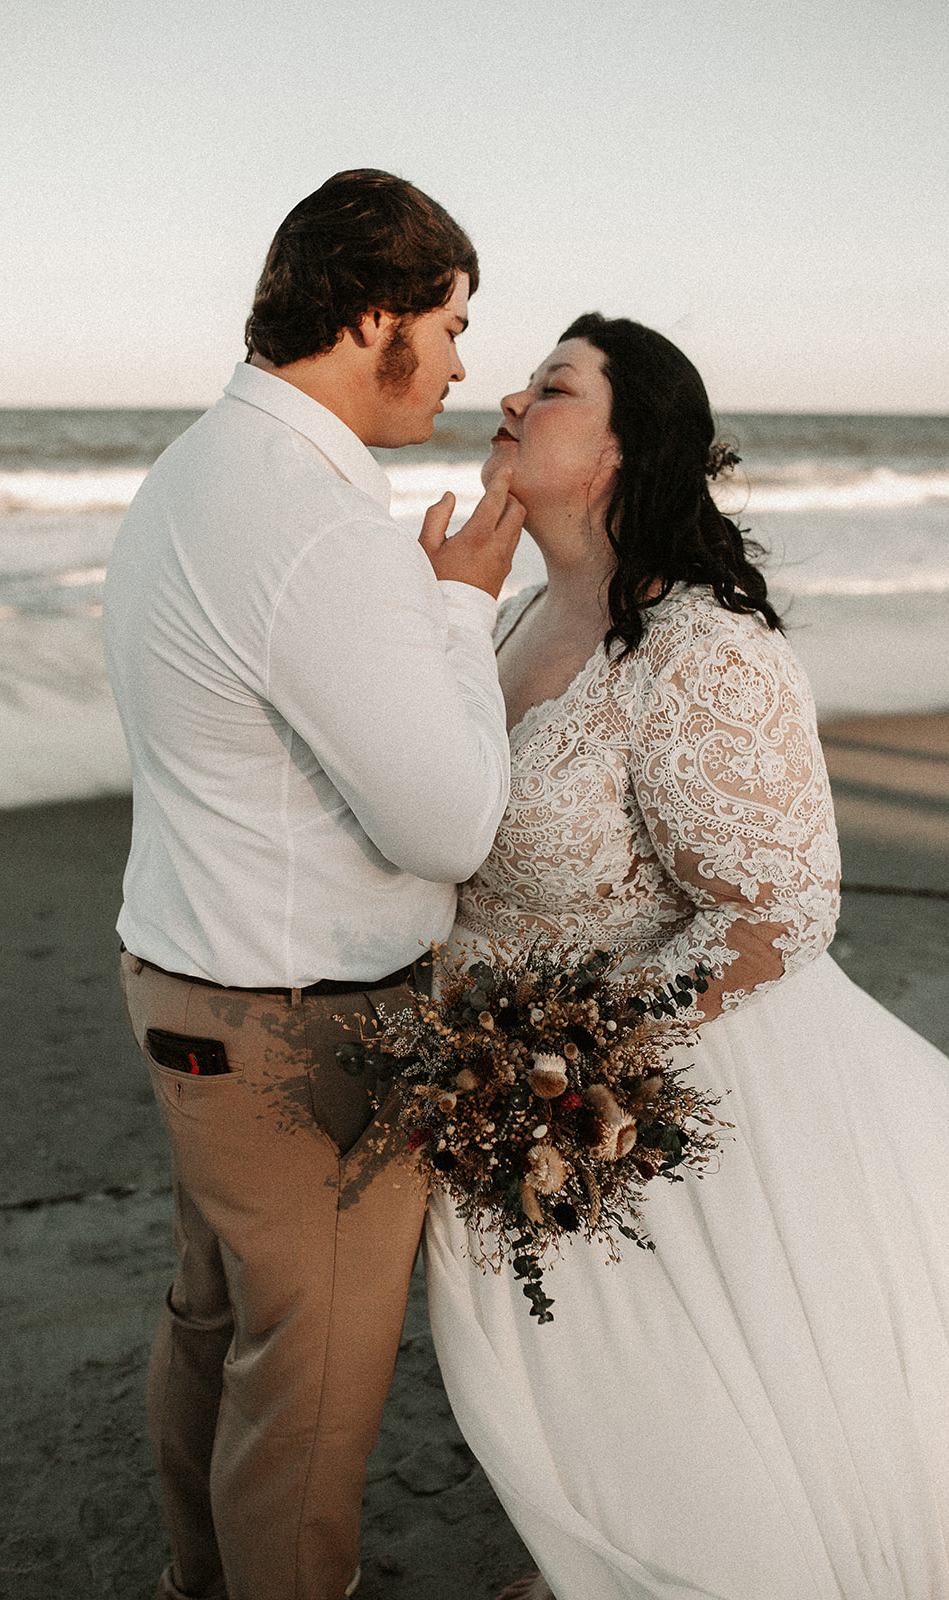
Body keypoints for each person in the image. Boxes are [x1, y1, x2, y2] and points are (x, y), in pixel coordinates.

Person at [423, 313, 949, 1600]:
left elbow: (778, 910)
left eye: (550, 386)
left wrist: (565, 1051)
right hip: (526, 1087)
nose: (507, 394)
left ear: (619, 448)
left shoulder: (701, 645)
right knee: (569, 1375)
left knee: (690, 1388)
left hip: (659, 1091)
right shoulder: (516, 619)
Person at [102, 169, 524, 1600]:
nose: (464, 364)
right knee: (315, 1396)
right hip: (300, 1038)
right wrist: (458, 608)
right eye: (451, 324)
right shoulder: (316, 527)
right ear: (369, 317)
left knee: (218, 1329)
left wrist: (402, 617)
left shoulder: (195, 469)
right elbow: (451, 826)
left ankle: (192, 1580)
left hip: (190, 990)